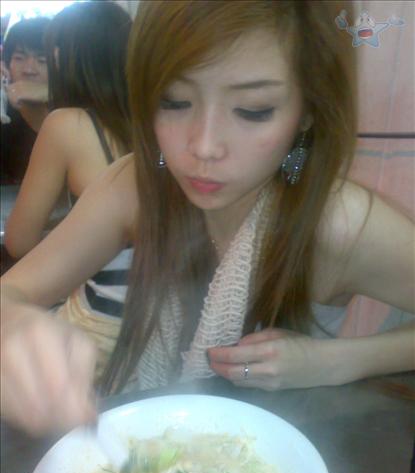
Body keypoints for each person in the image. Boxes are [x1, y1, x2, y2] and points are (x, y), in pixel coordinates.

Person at [1, 0, 414, 435]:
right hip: (131, 439)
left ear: (308, 110)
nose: (204, 146)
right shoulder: (134, 186)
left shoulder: (336, 223)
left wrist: (334, 361)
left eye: (253, 109)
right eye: (173, 101)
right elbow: (12, 292)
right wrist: (15, 327)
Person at [4, 1, 132, 257]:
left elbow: (19, 242)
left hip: (105, 277)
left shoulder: (65, 124)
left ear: (60, 57)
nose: (30, 68)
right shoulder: (157, 115)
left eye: (43, 57)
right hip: (168, 274)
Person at [1, 17, 50, 184]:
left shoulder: (72, 109)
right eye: (19, 58)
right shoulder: (3, 106)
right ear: (6, 64)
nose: (29, 70)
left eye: (42, 60)